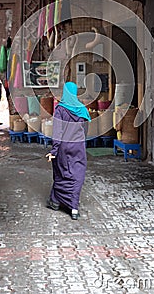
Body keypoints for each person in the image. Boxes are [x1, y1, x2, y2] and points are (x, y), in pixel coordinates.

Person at [46, 82, 91, 220]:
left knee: (62, 173)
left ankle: (56, 202)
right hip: (79, 146)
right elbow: (85, 129)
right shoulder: (82, 109)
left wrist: (54, 151)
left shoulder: (60, 109)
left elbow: (57, 133)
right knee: (77, 174)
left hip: (64, 147)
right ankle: (74, 208)